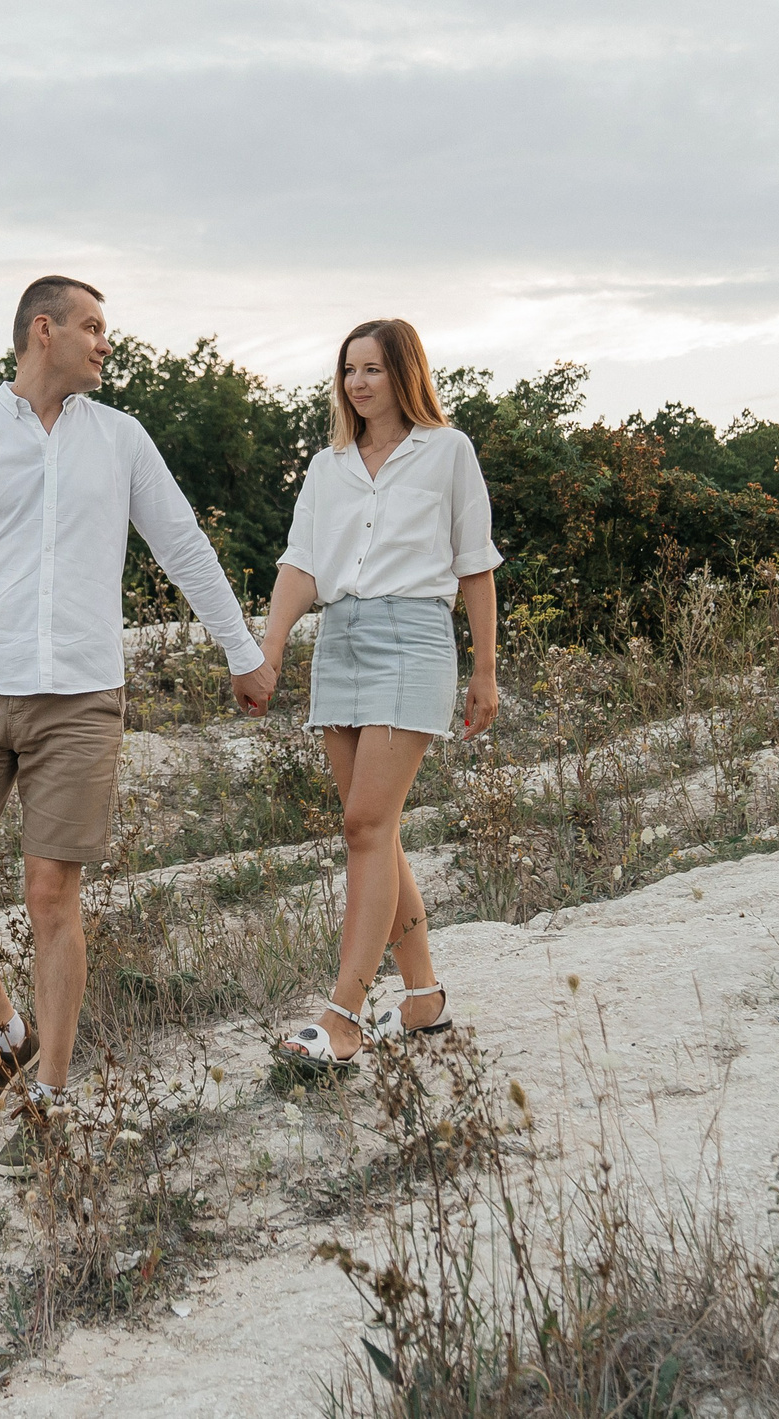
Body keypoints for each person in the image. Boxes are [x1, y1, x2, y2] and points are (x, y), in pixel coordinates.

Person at [0, 276, 279, 1174]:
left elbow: (183, 545)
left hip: (81, 697)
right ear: (44, 330)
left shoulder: (122, 438)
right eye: (93, 326)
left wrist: (242, 651)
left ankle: (53, 1101)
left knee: (50, 896)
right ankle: (4, 1032)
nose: (106, 343)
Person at [256, 318, 500, 1071]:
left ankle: (344, 1016)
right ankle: (423, 995)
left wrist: (485, 669)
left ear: (404, 373)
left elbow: (475, 563)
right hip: (341, 641)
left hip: (414, 638)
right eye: (349, 369)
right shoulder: (327, 465)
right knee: (377, 831)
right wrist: (270, 650)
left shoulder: (448, 451)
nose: (358, 382)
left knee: (365, 823)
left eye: (373, 368)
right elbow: (300, 563)